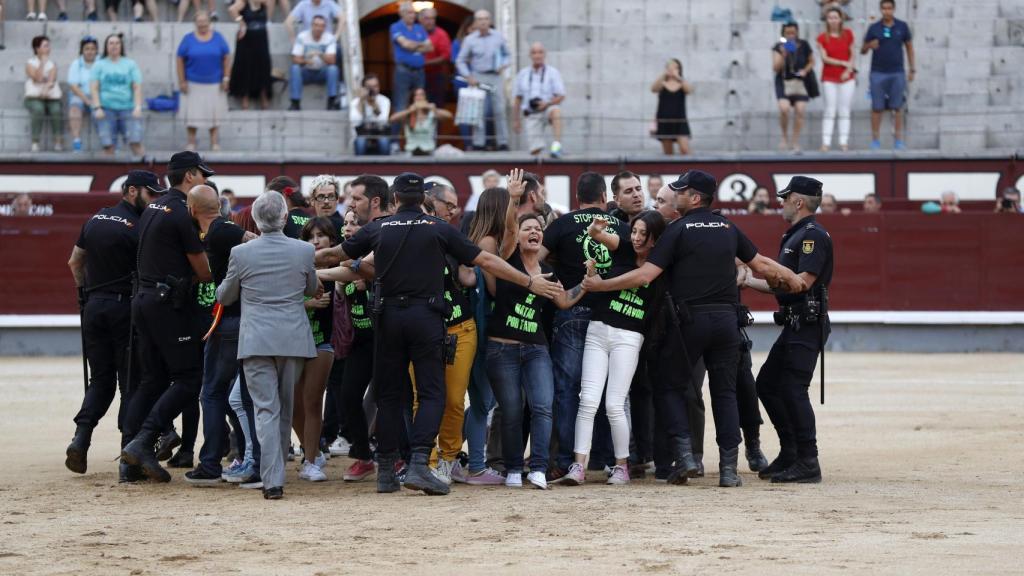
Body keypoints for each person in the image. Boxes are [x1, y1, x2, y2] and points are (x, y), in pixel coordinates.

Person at [314, 172, 562, 496]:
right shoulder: (440, 229)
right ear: (423, 201)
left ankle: (387, 470)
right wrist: (529, 281)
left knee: (390, 396)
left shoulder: (380, 227)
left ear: (396, 198)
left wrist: (295, 258)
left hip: (387, 316)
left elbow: (335, 255)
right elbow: (486, 259)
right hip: (427, 316)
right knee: (432, 394)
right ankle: (419, 463)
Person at [582, 170, 805, 487]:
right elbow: (762, 265)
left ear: (695, 197)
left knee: (671, 386)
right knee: (724, 393)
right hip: (727, 321)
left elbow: (644, 275)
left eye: (681, 192)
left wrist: (601, 286)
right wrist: (793, 278)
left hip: (689, 322)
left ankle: (685, 455)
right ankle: (728, 470)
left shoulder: (678, 230)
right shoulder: (728, 227)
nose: (675, 196)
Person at [217, 190, 321, 499]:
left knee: (265, 408)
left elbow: (225, 296)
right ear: (285, 218)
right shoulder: (303, 250)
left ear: (256, 221)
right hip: (291, 337)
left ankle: (272, 479)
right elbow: (312, 287)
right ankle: (275, 476)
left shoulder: (241, 253)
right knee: (285, 406)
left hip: (257, 338)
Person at [120, 152, 215, 484]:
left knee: (152, 380)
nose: (205, 182)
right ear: (189, 176)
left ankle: (128, 464)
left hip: (143, 299)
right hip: (168, 305)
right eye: (202, 176)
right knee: (190, 377)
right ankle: (144, 441)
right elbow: (203, 273)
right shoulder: (180, 214)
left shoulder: (153, 207)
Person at [64, 170, 162, 479]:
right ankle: (126, 460)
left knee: (100, 380)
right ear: (132, 191)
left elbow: (74, 262)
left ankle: (81, 438)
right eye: (150, 193)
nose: (154, 199)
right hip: (124, 310)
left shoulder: (95, 219)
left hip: (94, 307)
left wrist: (83, 295)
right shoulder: (139, 228)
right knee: (130, 382)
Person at [563, 211, 666, 486]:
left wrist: (600, 285)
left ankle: (622, 466)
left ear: (656, 239)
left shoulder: (660, 262)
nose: (636, 238)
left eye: (644, 234)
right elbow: (598, 236)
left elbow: (639, 279)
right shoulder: (624, 247)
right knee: (588, 400)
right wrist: (595, 230)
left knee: (614, 404)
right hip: (598, 329)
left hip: (630, 336)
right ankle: (578, 465)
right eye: (635, 231)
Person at [539, 172, 631, 482]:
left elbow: (535, 260)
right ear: (605, 197)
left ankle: (566, 461)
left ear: (578, 198)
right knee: (610, 392)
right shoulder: (622, 227)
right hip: (611, 315)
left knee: (568, 390)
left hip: (573, 310)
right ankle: (607, 460)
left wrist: (555, 283)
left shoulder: (562, 224)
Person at [487, 212, 589, 490]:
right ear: (517, 237)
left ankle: (539, 469)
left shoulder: (548, 270)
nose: (534, 232)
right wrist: (513, 199)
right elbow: (508, 227)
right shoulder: (508, 260)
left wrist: (586, 282)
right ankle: (512, 469)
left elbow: (564, 301)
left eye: (539, 229)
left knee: (543, 407)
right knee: (512, 411)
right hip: (502, 349)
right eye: (528, 228)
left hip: (536, 349)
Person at [743, 176, 834, 483]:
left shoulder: (812, 236)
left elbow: (802, 283)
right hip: (795, 322)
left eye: (785, 198)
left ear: (798, 202)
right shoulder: (796, 235)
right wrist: (748, 281)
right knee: (767, 384)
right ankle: (791, 451)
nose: (780, 203)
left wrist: (763, 267)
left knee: (793, 389)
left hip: (807, 323)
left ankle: (809, 460)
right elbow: (781, 287)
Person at [180, 185, 254, 485]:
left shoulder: (222, 231)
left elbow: (256, 243)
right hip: (244, 320)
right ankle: (246, 454)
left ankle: (211, 461)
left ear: (191, 209)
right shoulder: (224, 230)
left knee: (212, 392)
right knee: (241, 394)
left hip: (228, 321)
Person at [292, 217, 337, 482]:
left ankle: (310, 461)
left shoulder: (339, 269)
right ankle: (312, 450)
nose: (316, 240)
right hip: (294, 341)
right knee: (294, 405)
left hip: (322, 341)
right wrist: (306, 304)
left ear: (332, 240)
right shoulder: (296, 267)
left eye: (321, 235)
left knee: (311, 401)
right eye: (310, 236)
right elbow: (281, 300)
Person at [862, 0, 914, 150]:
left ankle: (898, 140)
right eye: (884, 8)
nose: (886, 11)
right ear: (880, 10)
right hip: (877, 72)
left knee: (897, 107)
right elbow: (863, 50)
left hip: (897, 71)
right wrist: (869, 45)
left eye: (889, 8)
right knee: (876, 107)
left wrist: (912, 69)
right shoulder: (874, 28)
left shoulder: (902, 26)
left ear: (894, 9)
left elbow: (909, 48)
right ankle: (875, 141)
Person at [455, 10, 510, 151]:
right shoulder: (470, 39)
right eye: (480, 19)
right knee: (479, 110)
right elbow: (460, 60)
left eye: (486, 19)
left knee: (500, 109)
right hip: (478, 76)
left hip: (495, 75)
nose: (483, 22)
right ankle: (479, 142)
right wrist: (468, 76)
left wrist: (503, 65)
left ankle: (503, 142)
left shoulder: (498, 37)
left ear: (490, 20)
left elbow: (508, 55)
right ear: (475, 22)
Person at [177, 11, 231, 152]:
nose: (202, 24)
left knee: (214, 115)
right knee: (192, 115)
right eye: (199, 21)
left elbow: (226, 57)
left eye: (204, 21)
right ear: (195, 23)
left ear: (209, 22)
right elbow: (179, 59)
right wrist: (182, 81)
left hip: (215, 83)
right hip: (193, 83)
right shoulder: (188, 39)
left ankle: (214, 143)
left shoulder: (218, 38)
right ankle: (191, 143)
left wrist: (226, 77)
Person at [90, 34, 144, 156]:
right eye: (111, 43)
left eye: (117, 43)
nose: (114, 46)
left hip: (128, 109)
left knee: (136, 142)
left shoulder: (130, 64)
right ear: (106, 46)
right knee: (108, 145)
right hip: (106, 109)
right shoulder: (99, 65)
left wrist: (138, 107)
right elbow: (94, 88)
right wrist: (97, 108)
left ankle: (145, 173)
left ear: (121, 46)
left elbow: (137, 87)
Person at [513, 42, 565, 158]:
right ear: (530, 55)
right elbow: (517, 98)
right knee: (535, 151)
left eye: (540, 52)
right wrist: (516, 120)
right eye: (534, 52)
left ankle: (556, 146)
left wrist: (547, 103)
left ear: (544, 54)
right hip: (531, 113)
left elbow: (561, 95)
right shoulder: (522, 74)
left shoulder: (552, 72)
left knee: (556, 111)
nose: (537, 56)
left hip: (547, 108)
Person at [817, 7, 857, 151]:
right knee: (830, 109)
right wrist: (842, 63)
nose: (833, 20)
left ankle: (843, 141)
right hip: (829, 76)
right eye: (830, 18)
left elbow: (852, 54)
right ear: (827, 20)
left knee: (844, 109)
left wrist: (848, 69)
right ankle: (826, 142)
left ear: (841, 19)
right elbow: (824, 57)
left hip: (847, 77)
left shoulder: (848, 34)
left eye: (835, 17)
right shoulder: (822, 37)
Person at [773, 22, 815, 152]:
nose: (791, 36)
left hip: (799, 82)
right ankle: (784, 137)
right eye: (788, 33)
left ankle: (795, 141)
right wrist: (783, 54)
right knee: (784, 109)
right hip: (784, 81)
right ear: (783, 34)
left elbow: (812, 61)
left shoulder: (803, 45)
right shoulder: (779, 46)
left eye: (793, 32)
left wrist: (805, 70)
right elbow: (775, 68)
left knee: (800, 110)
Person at [289, 15, 341, 111]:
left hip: (322, 72)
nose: (318, 28)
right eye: (316, 25)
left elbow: (332, 60)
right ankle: (295, 103)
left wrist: (320, 53)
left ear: (325, 27)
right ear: (311, 25)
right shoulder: (302, 37)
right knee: (295, 68)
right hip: (306, 71)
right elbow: (295, 59)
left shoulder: (329, 38)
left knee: (333, 69)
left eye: (322, 26)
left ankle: (332, 102)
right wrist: (306, 61)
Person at [228, 0, 272, 110]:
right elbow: (232, 9)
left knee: (263, 65)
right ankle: (245, 96)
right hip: (246, 40)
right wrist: (241, 23)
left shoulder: (264, 3)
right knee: (246, 66)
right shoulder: (243, 2)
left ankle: (263, 95)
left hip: (261, 38)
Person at [25, 35, 63, 153]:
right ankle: (35, 142)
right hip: (33, 97)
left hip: (49, 95)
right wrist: (42, 63)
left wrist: (46, 89)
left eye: (48, 46)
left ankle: (58, 142)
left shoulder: (52, 64)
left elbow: (51, 80)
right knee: (38, 109)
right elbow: (37, 77)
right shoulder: (30, 62)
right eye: (45, 46)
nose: (48, 48)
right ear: (37, 48)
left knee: (56, 109)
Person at [389, 87, 453, 155]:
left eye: (422, 94)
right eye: (416, 95)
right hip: (411, 151)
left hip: (429, 151)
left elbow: (449, 116)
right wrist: (408, 111)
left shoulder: (431, 113)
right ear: (413, 98)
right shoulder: (408, 114)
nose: (419, 97)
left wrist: (435, 109)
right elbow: (392, 119)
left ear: (425, 97)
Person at [651, 58, 692, 155]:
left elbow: (689, 90)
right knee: (668, 153)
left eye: (675, 67)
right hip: (664, 121)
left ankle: (691, 169)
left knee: (684, 149)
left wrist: (678, 77)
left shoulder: (682, 83)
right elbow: (653, 89)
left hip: (680, 121)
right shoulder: (662, 83)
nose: (672, 69)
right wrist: (664, 74)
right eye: (670, 67)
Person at [67, 36, 98, 153]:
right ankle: (76, 141)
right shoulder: (76, 63)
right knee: (75, 107)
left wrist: (95, 100)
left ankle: (110, 143)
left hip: (96, 96)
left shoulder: (101, 63)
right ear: (82, 50)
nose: (90, 51)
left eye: (93, 49)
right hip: (80, 95)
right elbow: (74, 86)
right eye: (87, 49)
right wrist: (87, 101)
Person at [350, 74, 392, 155]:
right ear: (363, 88)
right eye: (369, 87)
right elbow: (355, 122)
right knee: (360, 143)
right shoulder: (355, 102)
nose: (373, 90)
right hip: (362, 134)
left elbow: (383, 121)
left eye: (375, 86)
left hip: (380, 133)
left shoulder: (384, 100)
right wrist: (361, 101)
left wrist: (373, 104)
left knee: (384, 142)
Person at [419, 7, 451, 106]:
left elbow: (446, 56)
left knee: (436, 105)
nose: (430, 21)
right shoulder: (414, 32)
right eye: (427, 18)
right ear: (420, 19)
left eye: (432, 18)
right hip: (416, 74)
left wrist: (425, 63)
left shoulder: (441, 34)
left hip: (436, 75)